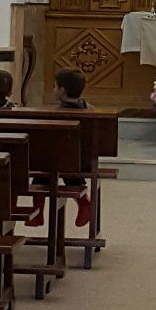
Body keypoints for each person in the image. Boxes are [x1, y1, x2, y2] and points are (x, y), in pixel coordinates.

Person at [26, 66, 94, 229]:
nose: (53, 89)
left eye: (55, 86)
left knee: (46, 167)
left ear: (62, 91)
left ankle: (38, 210)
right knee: (63, 162)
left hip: (62, 161)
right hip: (83, 159)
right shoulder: (89, 108)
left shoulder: (57, 114)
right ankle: (84, 203)